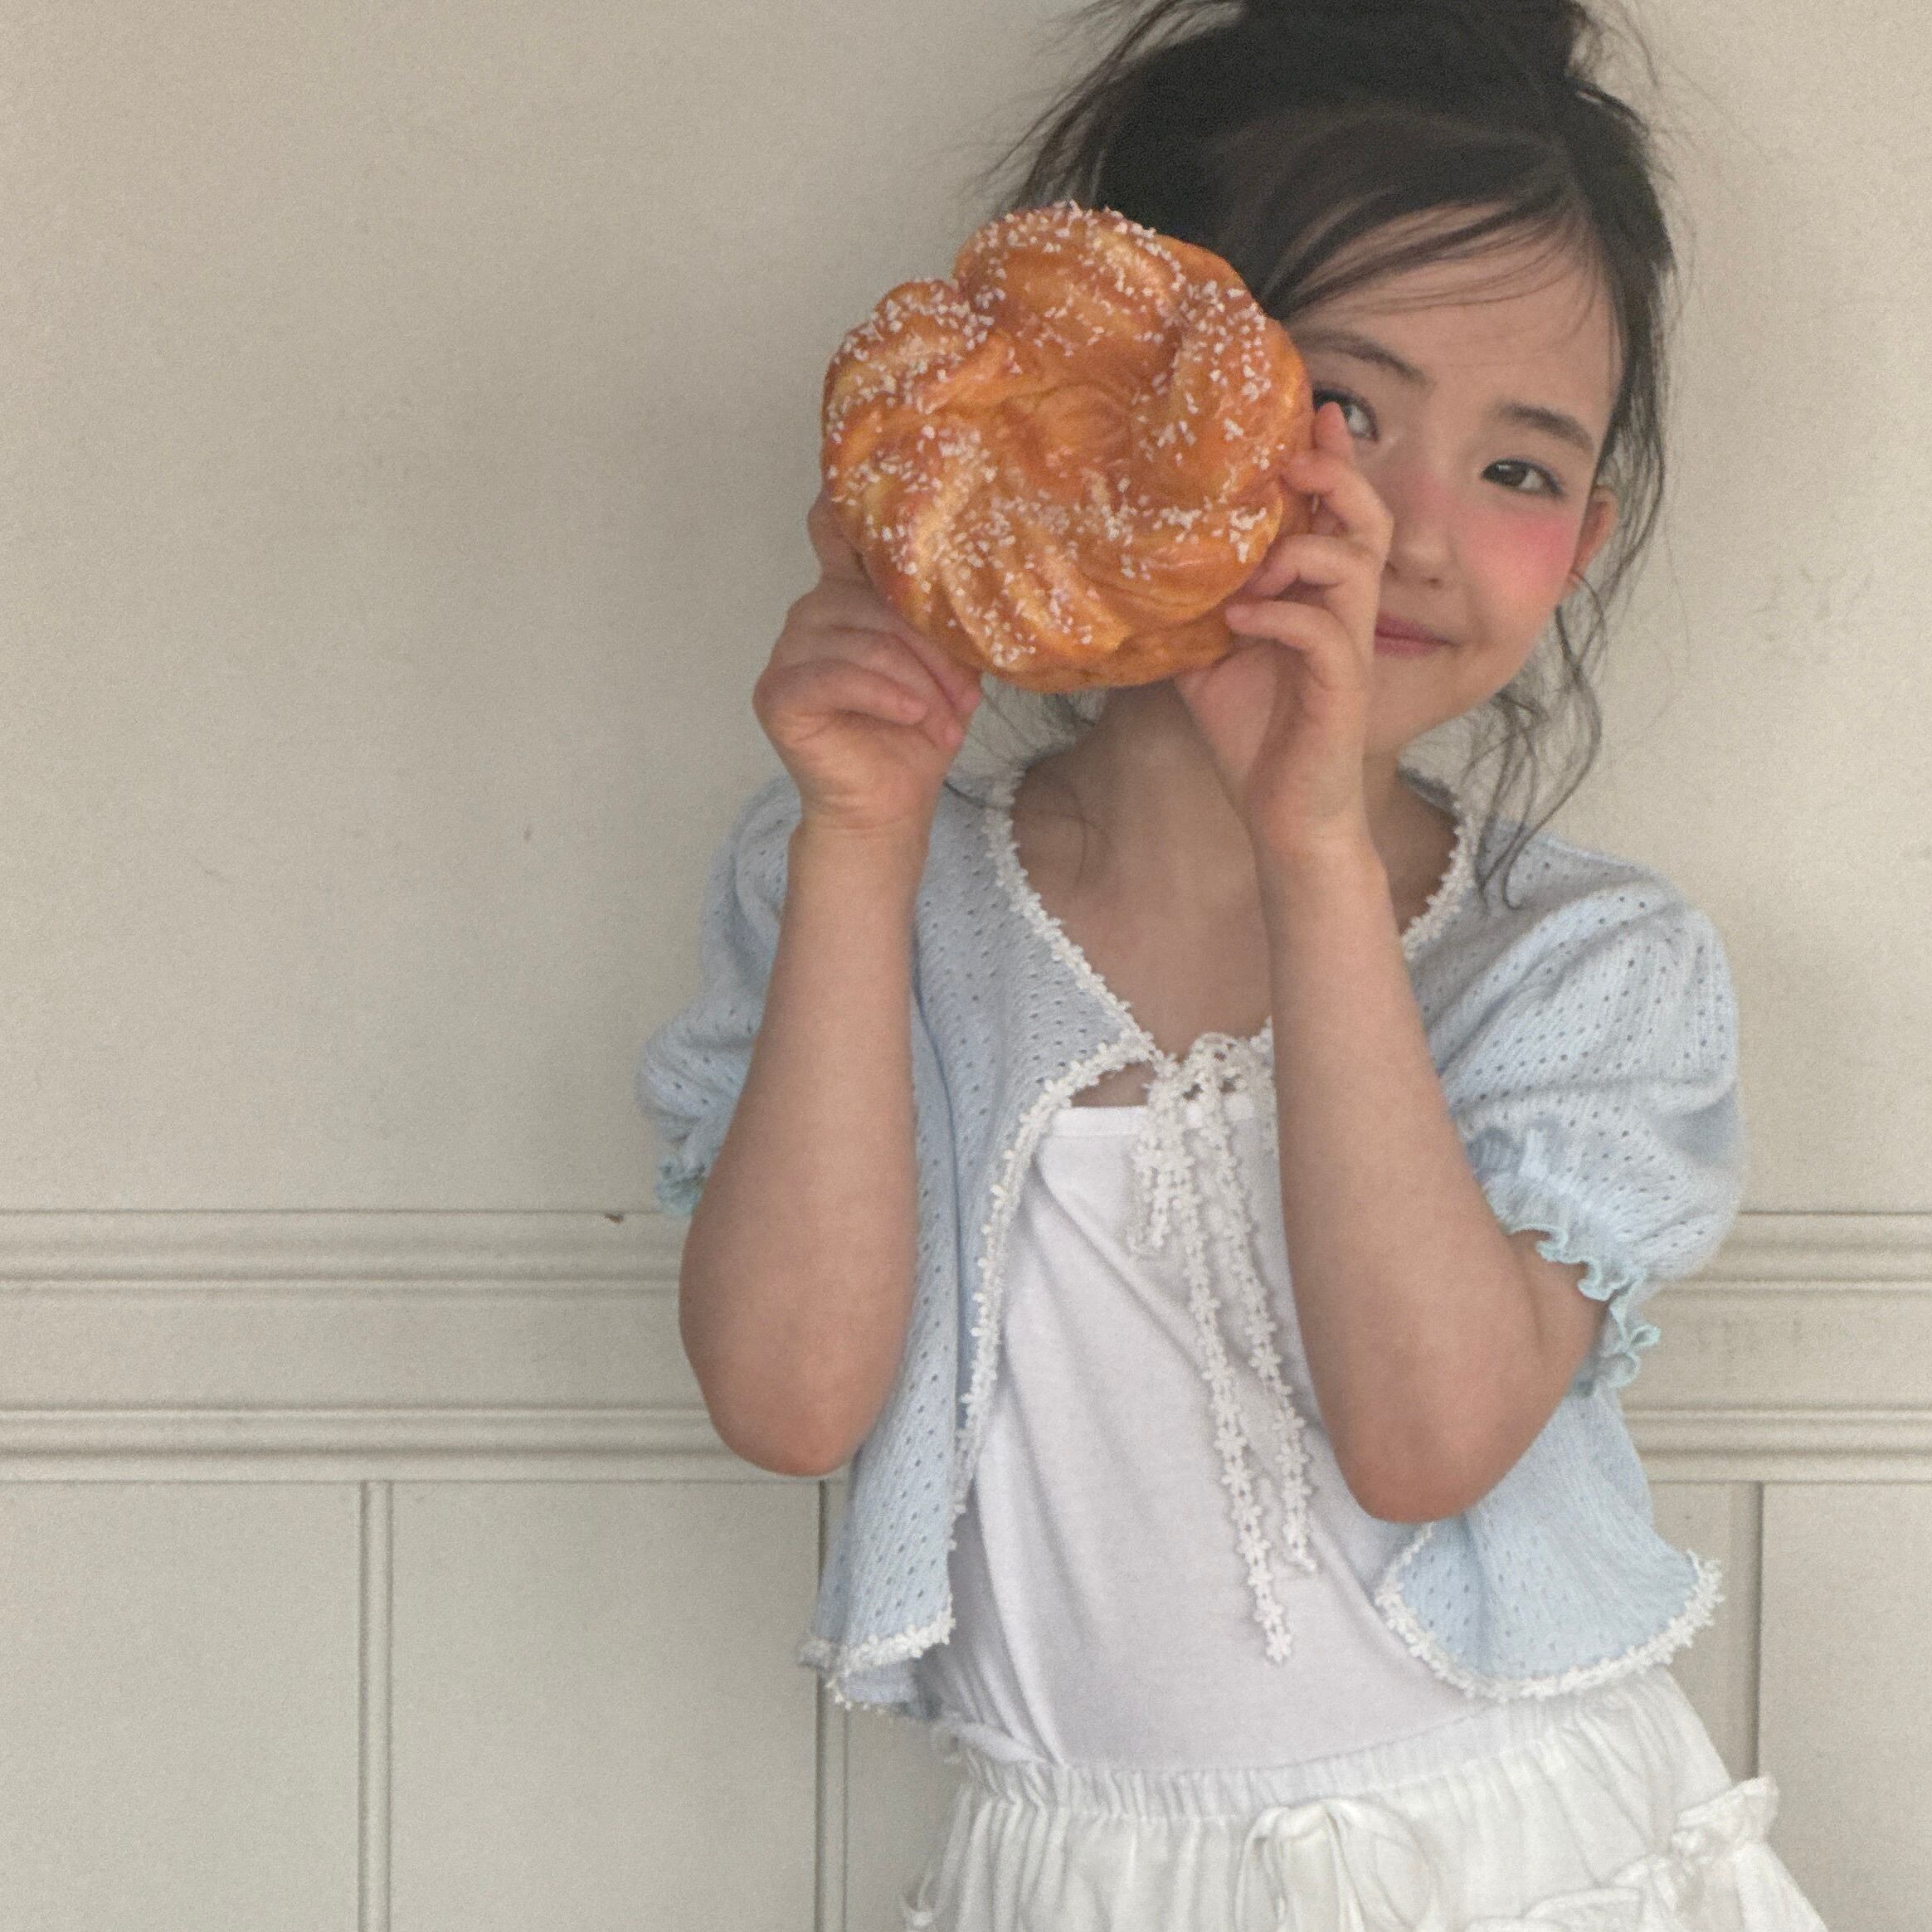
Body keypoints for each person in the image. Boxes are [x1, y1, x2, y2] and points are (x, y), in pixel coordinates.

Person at [638, 0, 1832, 1922]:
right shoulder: (869, 888)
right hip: (1080, 1875)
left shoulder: (1581, 963)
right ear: (1126, 404)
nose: (1414, 532)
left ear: (1589, 535)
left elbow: (1426, 1437)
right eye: (1342, 408)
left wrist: (1315, 859)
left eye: (1522, 471)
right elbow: (789, 1400)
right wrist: (857, 843)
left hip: (1530, 1864)